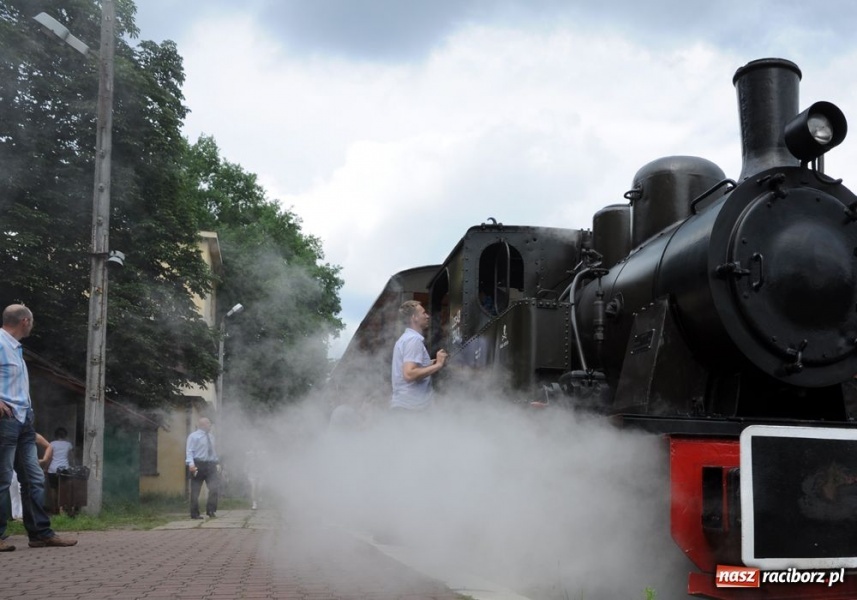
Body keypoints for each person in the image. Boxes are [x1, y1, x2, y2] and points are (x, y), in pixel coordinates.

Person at [0, 304, 77, 550]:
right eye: (32, 321)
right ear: (25, 321)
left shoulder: (16, 349)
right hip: (5, 421)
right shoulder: (0, 343)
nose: (32, 325)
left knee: (33, 478)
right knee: (2, 478)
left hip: (23, 420)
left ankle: (40, 533)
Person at [390, 300, 448, 412]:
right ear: (414, 318)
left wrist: (429, 363)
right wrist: (438, 365)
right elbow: (409, 374)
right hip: (411, 409)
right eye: (423, 313)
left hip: (405, 407)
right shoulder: (413, 340)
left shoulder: (405, 339)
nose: (427, 316)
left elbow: (410, 368)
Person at [186, 416, 220, 519]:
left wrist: (217, 462)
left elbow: (213, 452)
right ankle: (194, 513)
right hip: (198, 464)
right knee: (196, 490)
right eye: (208, 423)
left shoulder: (211, 437)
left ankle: (210, 510)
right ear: (202, 425)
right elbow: (189, 451)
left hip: (210, 465)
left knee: (214, 488)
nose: (210, 425)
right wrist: (191, 464)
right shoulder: (193, 436)